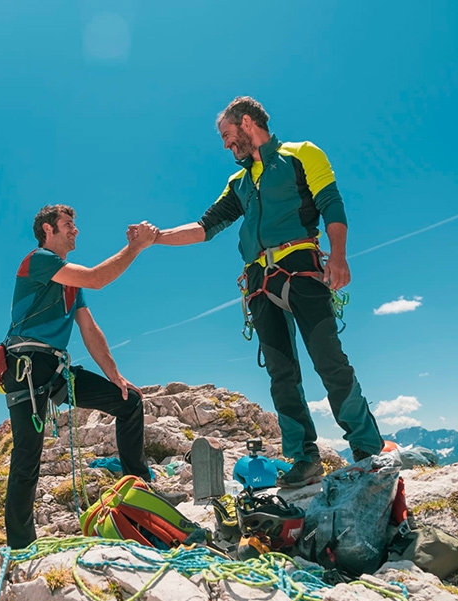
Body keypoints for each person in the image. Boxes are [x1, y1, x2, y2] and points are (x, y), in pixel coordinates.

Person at [151, 96, 384, 489]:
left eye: (227, 135)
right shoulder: (238, 182)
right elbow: (205, 227)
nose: (226, 145)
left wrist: (339, 257)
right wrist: (155, 238)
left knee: (329, 361)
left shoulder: (301, 154)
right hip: (259, 283)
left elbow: (331, 203)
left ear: (246, 123)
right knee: (281, 374)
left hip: (302, 270)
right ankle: (304, 458)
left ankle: (366, 448)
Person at [0, 204, 158, 549]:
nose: (76, 230)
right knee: (28, 452)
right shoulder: (39, 260)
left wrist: (115, 376)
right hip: (26, 366)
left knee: (128, 402)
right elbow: (97, 278)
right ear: (48, 230)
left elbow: (89, 328)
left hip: (54, 368)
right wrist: (136, 247)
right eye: (68, 224)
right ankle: (20, 546)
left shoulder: (70, 281)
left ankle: (139, 491)